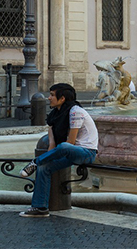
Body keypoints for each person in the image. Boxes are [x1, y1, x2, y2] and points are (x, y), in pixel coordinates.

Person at [19, 83, 98, 217]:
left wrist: (49, 155)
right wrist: (50, 150)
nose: (48, 98)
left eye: (52, 95)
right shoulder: (56, 114)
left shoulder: (75, 112)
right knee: (44, 168)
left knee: (64, 146)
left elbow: (71, 142)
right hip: (70, 152)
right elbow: (52, 136)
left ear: (62, 99)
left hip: (86, 152)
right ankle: (40, 208)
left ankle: (34, 163)